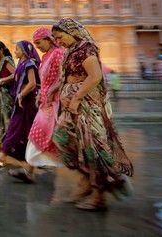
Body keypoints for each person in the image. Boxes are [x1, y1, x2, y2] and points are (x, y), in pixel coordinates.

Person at [51, 18, 133, 211]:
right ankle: (87, 180)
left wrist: (77, 97)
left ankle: (99, 196)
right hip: (71, 107)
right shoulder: (71, 51)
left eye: (60, 36)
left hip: (86, 107)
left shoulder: (86, 49)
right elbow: (67, 77)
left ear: (71, 31)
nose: (58, 41)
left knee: (91, 148)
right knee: (62, 140)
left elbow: (95, 76)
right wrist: (55, 90)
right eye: (55, 38)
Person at [13, 27, 65, 181]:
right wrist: (41, 93)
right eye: (35, 44)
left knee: (46, 135)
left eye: (39, 42)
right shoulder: (47, 56)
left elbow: (63, 77)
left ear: (49, 39)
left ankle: (90, 176)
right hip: (45, 103)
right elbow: (45, 80)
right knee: (37, 134)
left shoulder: (58, 54)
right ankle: (29, 170)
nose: (37, 46)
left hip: (55, 102)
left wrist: (51, 91)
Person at [0, 41, 40, 183]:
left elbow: (32, 83)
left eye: (17, 49)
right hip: (20, 103)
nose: (15, 52)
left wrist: (21, 94)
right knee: (17, 129)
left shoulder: (30, 64)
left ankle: (9, 156)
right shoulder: (21, 63)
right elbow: (15, 76)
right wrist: (3, 80)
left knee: (18, 129)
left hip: (27, 103)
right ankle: (23, 163)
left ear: (25, 51)